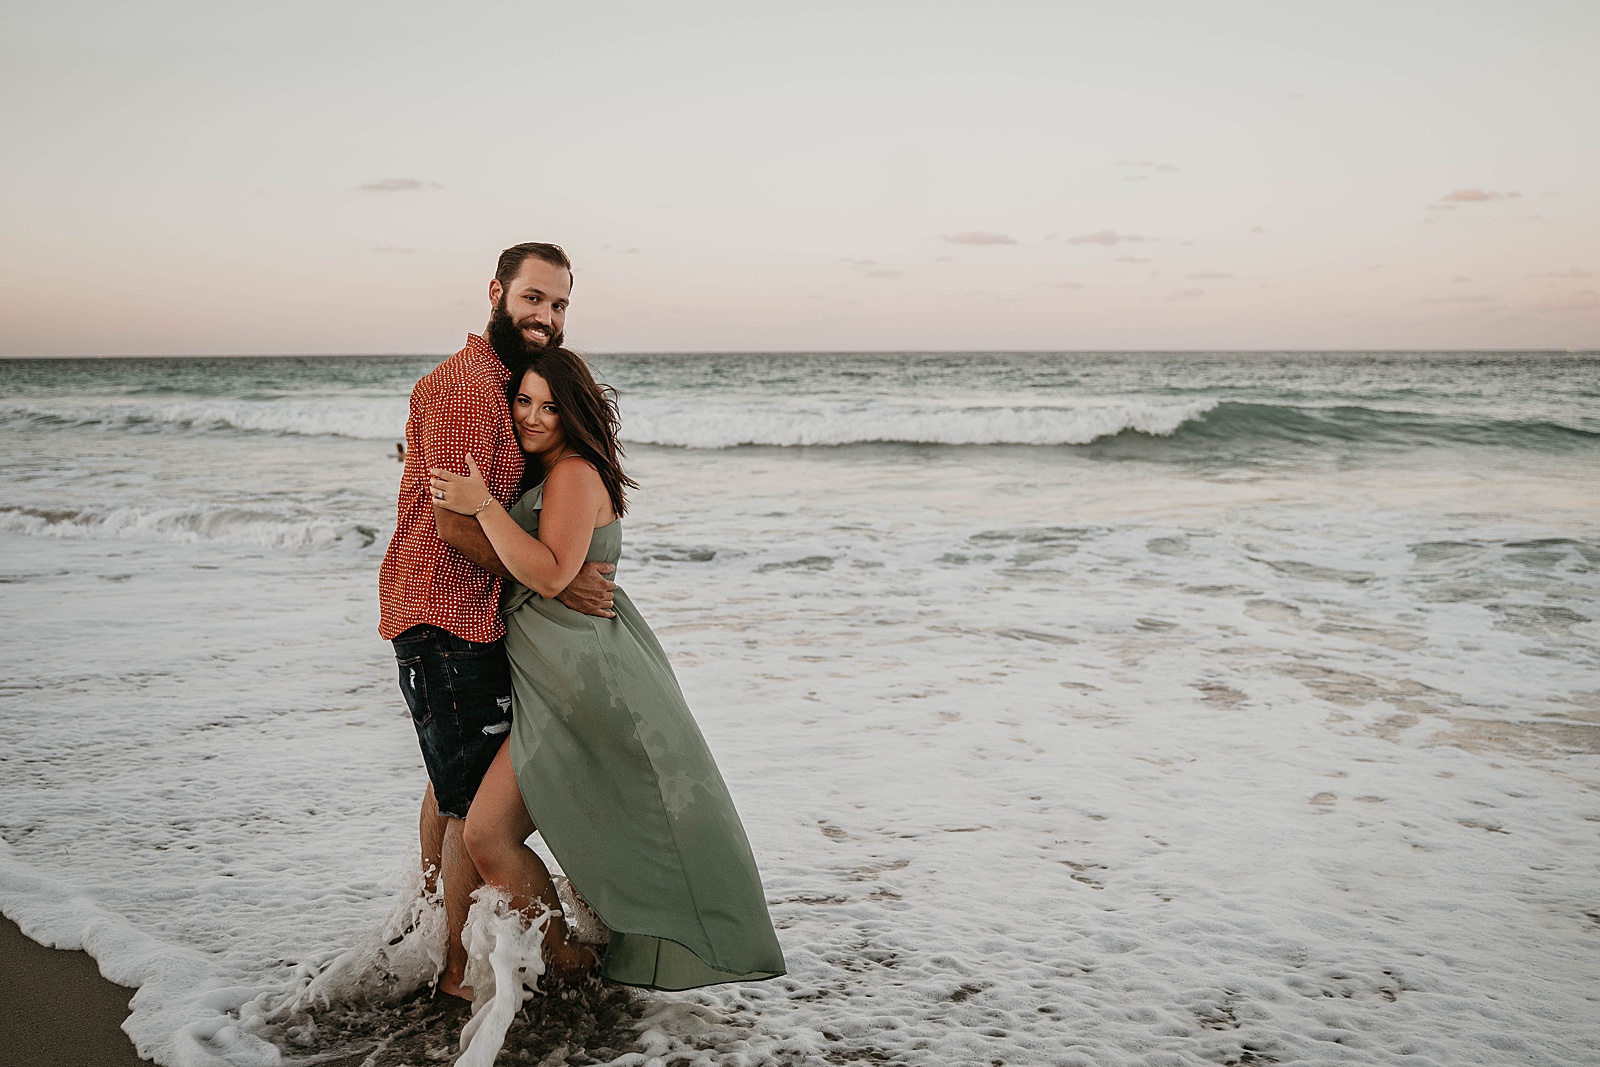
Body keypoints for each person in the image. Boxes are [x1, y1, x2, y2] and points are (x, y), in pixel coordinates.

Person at [428, 347, 787, 989]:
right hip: (553, 673)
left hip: (582, 679)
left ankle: (565, 961)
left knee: (488, 834)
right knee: (500, 828)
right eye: (524, 401)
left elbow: (548, 571)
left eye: (551, 405)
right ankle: (564, 959)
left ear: (575, 413)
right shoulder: (545, 472)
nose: (534, 417)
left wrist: (483, 504)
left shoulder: (571, 474)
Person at [377, 242, 617, 1000]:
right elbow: (454, 527)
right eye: (535, 298)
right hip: (444, 617)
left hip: (465, 617)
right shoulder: (463, 387)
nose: (547, 315)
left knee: (453, 788)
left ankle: (431, 929)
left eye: (560, 304)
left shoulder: (505, 385)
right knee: (474, 808)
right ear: (497, 292)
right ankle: (455, 970)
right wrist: (558, 579)